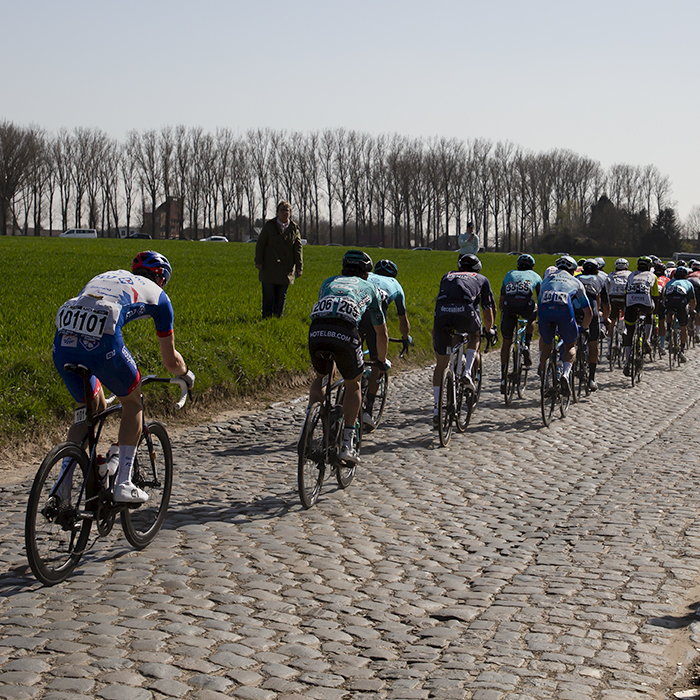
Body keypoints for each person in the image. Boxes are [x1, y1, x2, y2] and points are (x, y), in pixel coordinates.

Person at [52, 251, 194, 503]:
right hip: (103, 342)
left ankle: (62, 485)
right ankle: (124, 482)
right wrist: (185, 374)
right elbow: (170, 360)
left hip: (63, 340)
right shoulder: (160, 297)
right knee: (132, 400)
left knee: (90, 407)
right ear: (161, 278)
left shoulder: (107, 275)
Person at [307, 250, 388, 463]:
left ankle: (311, 424)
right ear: (366, 274)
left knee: (322, 377)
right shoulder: (370, 288)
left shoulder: (328, 282)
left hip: (317, 331)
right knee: (354, 384)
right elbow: (381, 332)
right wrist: (381, 360)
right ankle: (347, 443)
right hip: (345, 332)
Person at [431, 253, 496, 428]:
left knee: (441, 364)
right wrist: (489, 329)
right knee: (475, 336)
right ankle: (467, 372)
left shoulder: (448, 275)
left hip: (442, 315)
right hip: (465, 312)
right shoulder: (481, 278)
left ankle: (437, 409)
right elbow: (487, 309)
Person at [360, 259, 411, 429]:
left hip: (354, 312)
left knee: (354, 356)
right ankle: (368, 410)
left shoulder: (366, 276)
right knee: (378, 362)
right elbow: (403, 320)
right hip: (374, 319)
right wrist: (406, 337)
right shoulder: (395, 284)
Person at [537, 255, 592, 396]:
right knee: (570, 345)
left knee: (546, 346)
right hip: (564, 311)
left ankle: (544, 379)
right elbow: (589, 312)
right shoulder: (576, 282)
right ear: (573, 270)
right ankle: (565, 375)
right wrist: (583, 329)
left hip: (545, 311)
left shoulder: (545, 281)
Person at [498, 253, 542, 393]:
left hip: (509, 307)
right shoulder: (536, 276)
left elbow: (500, 302)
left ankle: (504, 377)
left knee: (506, 342)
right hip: (526, 306)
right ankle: (527, 344)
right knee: (532, 316)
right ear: (532, 267)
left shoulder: (509, 274)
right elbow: (540, 299)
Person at [254, 201, 303, 318]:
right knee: (268, 294)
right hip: (269, 267)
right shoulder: (269, 226)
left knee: (281, 295)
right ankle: (266, 318)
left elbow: (298, 249)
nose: (285, 213)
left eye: (288, 210)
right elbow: (260, 244)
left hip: (286, 269)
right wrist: (258, 261)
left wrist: (299, 267)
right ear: (277, 212)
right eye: (282, 210)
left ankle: (277, 319)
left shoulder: (294, 228)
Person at [622, 256, 659, 377]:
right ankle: (647, 339)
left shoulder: (631, 275)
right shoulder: (652, 276)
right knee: (650, 314)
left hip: (630, 302)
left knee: (630, 331)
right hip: (646, 303)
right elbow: (655, 295)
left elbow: (626, 291)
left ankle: (627, 362)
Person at [576, 259, 606, 391]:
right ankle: (592, 379)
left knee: (570, 342)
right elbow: (605, 304)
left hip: (576, 309)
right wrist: (604, 318)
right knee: (593, 345)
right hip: (592, 311)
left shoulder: (576, 278)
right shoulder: (600, 280)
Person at [663, 266, 696, 362]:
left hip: (670, 300)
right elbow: (693, 301)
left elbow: (665, 298)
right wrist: (692, 311)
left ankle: (669, 328)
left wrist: (666, 309)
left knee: (669, 311)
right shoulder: (688, 283)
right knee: (683, 327)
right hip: (681, 301)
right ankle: (681, 348)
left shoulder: (669, 282)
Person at [603, 258, 632, 358]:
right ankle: (624, 330)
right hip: (624, 298)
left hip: (612, 298)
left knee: (612, 322)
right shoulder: (630, 274)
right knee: (627, 316)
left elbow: (606, 287)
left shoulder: (611, 274)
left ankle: (609, 349)